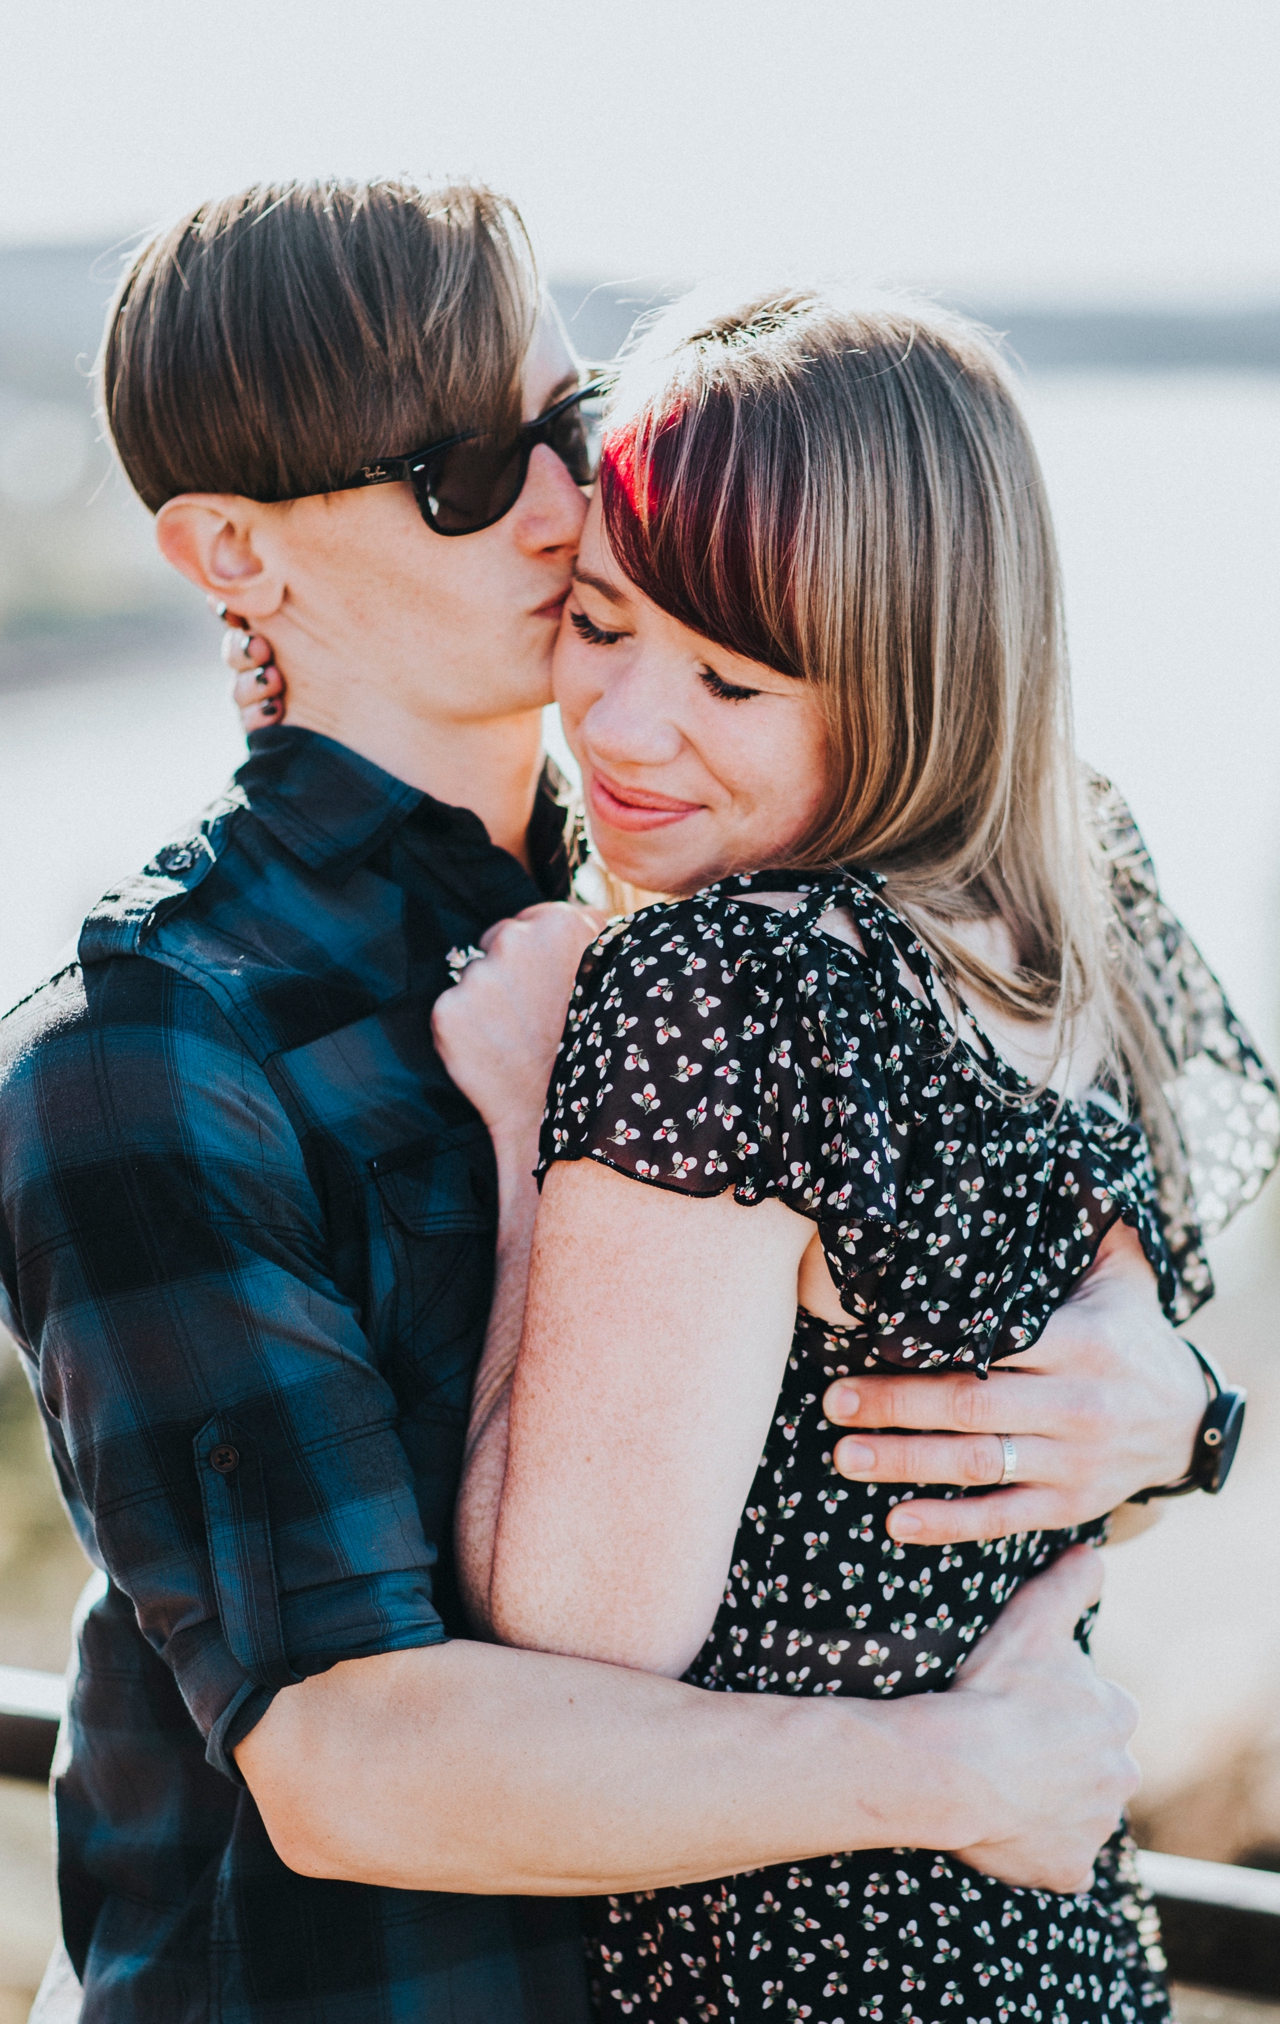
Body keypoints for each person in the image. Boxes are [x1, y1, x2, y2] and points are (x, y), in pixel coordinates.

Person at [0, 177, 1245, 2024]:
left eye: (565, 421)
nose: (562, 500)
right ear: (232, 554)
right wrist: (955, 1773)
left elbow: (900, 1453)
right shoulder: (152, 1042)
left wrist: (1168, 1418)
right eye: (460, 475)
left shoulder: (728, 886)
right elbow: (350, 1761)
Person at [426, 286, 1280, 2021]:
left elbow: (569, 1643)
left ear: (916, 678)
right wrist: (1192, 1419)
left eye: (731, 679)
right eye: (598, 622)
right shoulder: (1073, 889)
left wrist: (530, 1132)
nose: (623, 728)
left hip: (789, 1975)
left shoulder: (728, 982)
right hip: (1053, 1958)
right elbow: (1145, 1323)